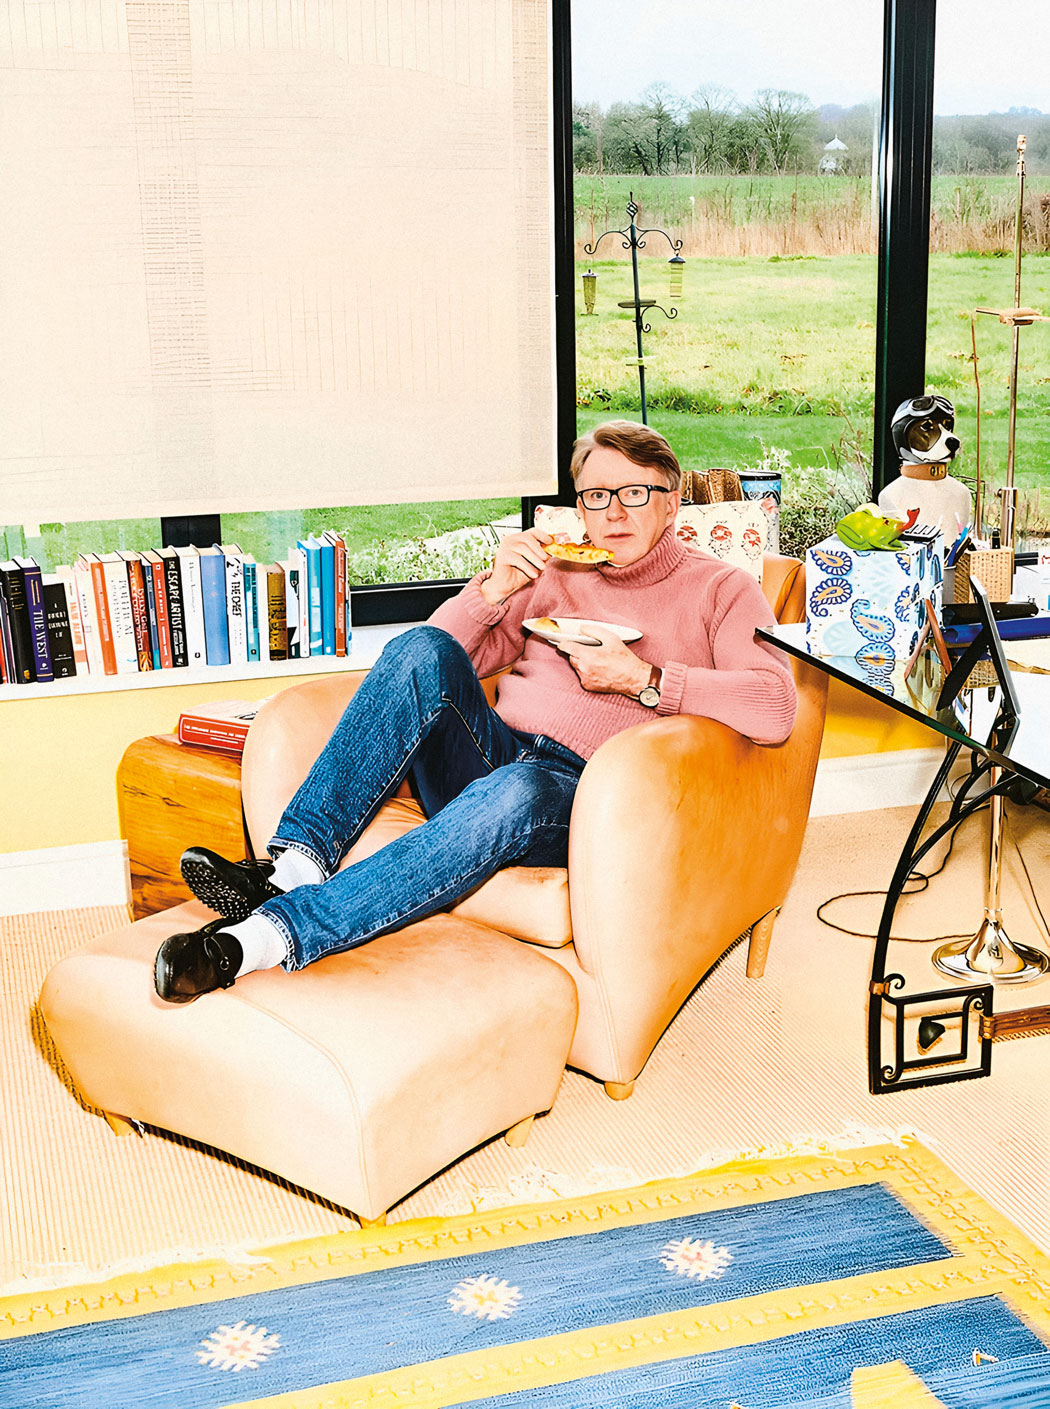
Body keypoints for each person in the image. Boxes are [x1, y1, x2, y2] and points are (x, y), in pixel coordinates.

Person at [154, 420, 797, 1003]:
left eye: (635, 492)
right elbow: (434, 660)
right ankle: (294, 867)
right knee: (421, 646)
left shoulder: (722, 588)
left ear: (672, 501)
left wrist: (645, 680)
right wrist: (493, 590)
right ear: (580, 507)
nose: (614, 512)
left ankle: (256, 941)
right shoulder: (559, 571)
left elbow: (776, 706)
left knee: (520, 786)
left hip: (587, 796)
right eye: (597, 495)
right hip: (493, 753)